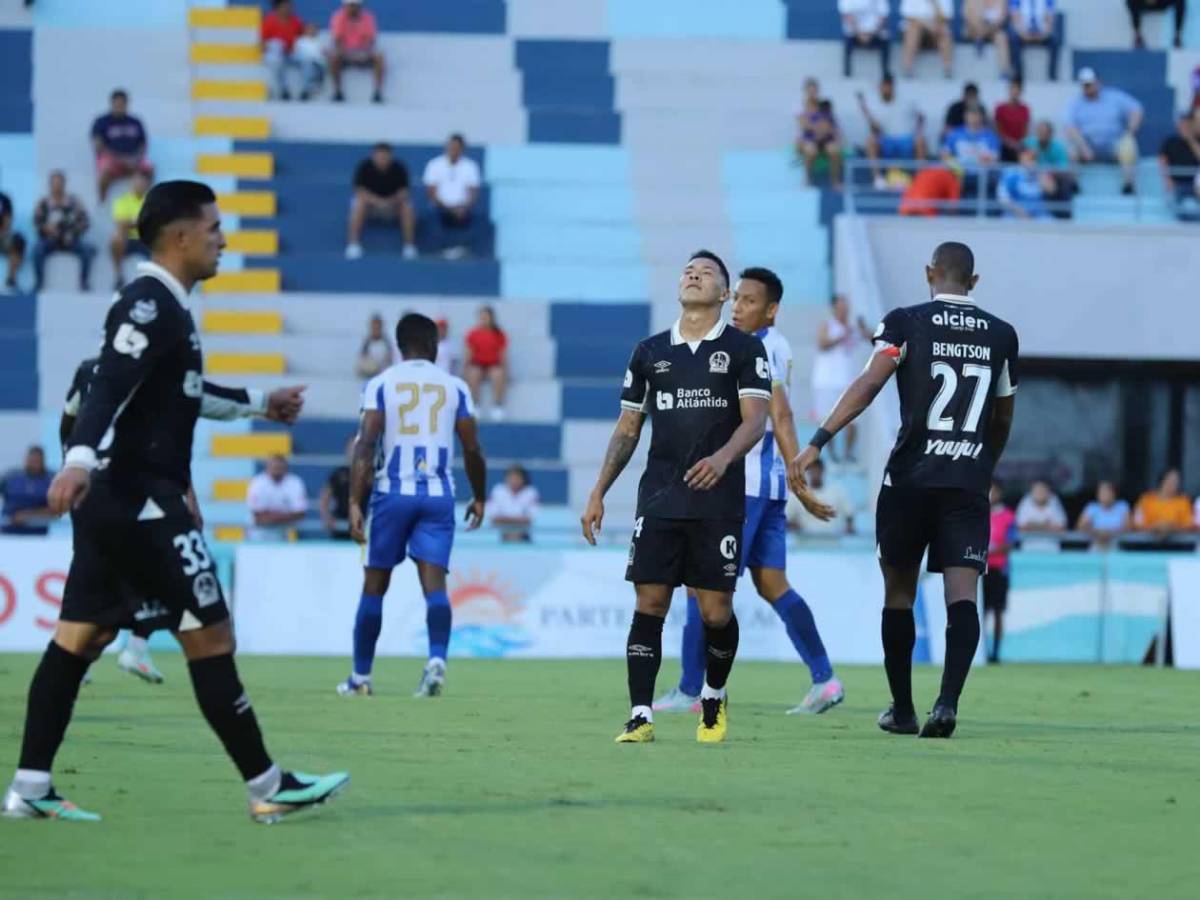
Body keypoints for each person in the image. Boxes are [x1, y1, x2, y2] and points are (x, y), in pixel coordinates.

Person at [3, 180, 347, 823]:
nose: (223, 240)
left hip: (116, 501)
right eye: (215, 229)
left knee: (80, 636)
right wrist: (77, 460)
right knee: (210, 633)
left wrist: (258, 403)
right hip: (143, 500)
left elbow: (181, 388)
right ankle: (267, 786)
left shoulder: (166, 307)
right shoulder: (148, 303)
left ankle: (28, 787)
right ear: (181, 236)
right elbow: (103, 383)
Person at [794, 241, 1020, 739]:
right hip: (966, 482)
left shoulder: (905, 321)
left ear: (928, 273)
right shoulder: (1002, 335)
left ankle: (902, 708)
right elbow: (1003, 416)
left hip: (910, 480)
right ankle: (947, 704)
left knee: (899, 592)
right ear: (974, 282)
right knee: (963, 593)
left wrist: (818, 442)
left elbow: (869, 383)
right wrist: (983, 466)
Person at [581, 250, 772, 745]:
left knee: (715, 613)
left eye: (706, 272)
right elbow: (628, 428)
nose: (693, 274)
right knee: (650, 603)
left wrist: (723, 458)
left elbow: (756, 420)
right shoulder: (649, 352)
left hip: (718, 500)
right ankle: (640, 715)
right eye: (688, 269)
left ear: (724, 294)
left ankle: (712, 695)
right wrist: (600, 489)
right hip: (660, 498)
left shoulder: (745, 349)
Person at [653, 268, 844, 718]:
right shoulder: (773, 347)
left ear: (771, 310)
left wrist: (801, 473)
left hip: (747, 489)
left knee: (702, 589)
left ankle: (689, 689)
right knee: (773, 584)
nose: (738, 308)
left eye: (749, 302)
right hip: (768, 486)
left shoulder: (760, 347)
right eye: (736, 299)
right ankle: (825, 679)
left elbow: (779, 412)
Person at [339, 313, 487, 698]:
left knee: (375, 585)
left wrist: (355, 502)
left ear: (399, 346)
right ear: (435, 346)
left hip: (393, 492)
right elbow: (472, 448)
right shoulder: (455, 387)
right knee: (435, 586)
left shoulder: (381, 384)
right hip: (438, 495)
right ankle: (436, 660)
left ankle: (360, 678)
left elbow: (366, 445)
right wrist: (480, 494)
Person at [812, 295, 874, 462]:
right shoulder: (828, 326)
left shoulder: (853, 328)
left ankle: (848, 454)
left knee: (853, 419)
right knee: (827, 419)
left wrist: (862, 327)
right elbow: (822, 344)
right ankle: (831, 455)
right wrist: (841, 336)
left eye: (846, 308)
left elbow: (874, 339)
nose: (843, 311)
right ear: (834, 309)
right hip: (827, 382)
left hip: (848, 380)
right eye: (840, 308)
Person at [1065, 69, 1143, 196]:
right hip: (1088, 146)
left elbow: (1136, 109)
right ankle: (1073, 185)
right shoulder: (1075, 103)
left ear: (1098, 82)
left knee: (1129, 144)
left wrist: (1129, 132)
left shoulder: (1114, 97)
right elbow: (1070, 127)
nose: (1087, 87)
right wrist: (1083, 147)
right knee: (1071, 149)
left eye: (1089, 84)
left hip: (1113, 145)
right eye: (1084, 85)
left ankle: (1128, 185)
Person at [345, 142, 417, 261]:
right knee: (358, 204)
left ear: (390, 156)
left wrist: (389, 201)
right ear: (373, 155)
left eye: (385, 156)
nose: (382, 158)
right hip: (371, 207)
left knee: (407, 207)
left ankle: (409, 247)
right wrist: (378, 201)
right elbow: (359, 191)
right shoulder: (364, 167)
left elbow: (404, 192)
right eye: (379, 155)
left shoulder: (399, 168)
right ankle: (353, 245)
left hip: (392, 207)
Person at [859, 75, 928, 189]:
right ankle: (878, 179)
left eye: (888, 86)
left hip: (906, 140)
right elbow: (876, 130)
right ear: (880, 87)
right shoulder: (874, 106)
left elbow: (921, 117)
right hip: (887, 141)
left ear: (893, 87)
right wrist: (868, 117)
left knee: (921, 140)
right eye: (883, 86)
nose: (886, 89)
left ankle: (920, 179)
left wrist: (917, 132)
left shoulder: (907, 102)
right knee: (870, 141)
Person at [31, 171, 95, 292]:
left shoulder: (75, 202)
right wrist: (47, 229)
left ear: (64, 184)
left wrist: (73, 232)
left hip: (71, 239)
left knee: (87, 251)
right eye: (54, 183)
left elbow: (85, 222)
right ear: (50, 185)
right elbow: (36, 223)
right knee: (37, 250)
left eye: (59, 183)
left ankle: (84, 283)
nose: (57, 186)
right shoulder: (43, 203)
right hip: (50, 239)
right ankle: (38, 283)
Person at [422, 134, 482, 259]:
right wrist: (448, 208)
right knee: (432, 214)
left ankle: (463, 248)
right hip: (441, 206)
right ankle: (441, 249)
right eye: (451, 146)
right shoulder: (434, 164)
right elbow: (431, 193)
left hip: (462, 208)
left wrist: (464, 207)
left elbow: (473, 193)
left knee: (478, 218)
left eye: (457, 147)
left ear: (463, 149)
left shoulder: (471, 166)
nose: (454, 150)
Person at [89, 89, 154, 203]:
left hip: (133, 158)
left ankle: (147, 202)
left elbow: (143, 144)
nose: (119, 106)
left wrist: (136, 158)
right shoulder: (101, 121)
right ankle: (102, 202)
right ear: (112, 103)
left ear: (127, 104)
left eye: (122, 103)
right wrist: (120, 159)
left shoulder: (135, 121)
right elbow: (98, 146)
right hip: (111, 159)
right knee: (105, 171)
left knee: (149, 168)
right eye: (117, 103)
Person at [260, 0, 322, 101]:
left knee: (308, 61)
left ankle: (306, 90)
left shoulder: (295, 20)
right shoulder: (269, 21)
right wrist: (271, 48)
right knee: (276, 61)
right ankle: (283, 90)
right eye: (286, 6)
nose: (289, 8)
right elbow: (263, 41)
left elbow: (304, 36)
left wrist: (312, 30)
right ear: (278, 7)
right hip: (278, 55)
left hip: (293, 53)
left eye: (290, 6)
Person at [984, 480, 1018, 663]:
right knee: (979, 612)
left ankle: (995, 653)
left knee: (997, 611)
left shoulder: (1009, 516)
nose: (991, 495)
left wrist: (988, 551)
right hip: (980, 569)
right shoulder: (977, 512)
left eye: (994, 491)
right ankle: (979, 651)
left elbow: (1010, 543)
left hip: (999, 569)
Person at [329, 0, 384, 103]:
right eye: (351, 5)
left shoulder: (368, 17)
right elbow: (337, 40)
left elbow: (371, 40)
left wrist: (364, 51)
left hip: (363, 52)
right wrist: (344, 51)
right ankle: (337, 92)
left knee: (380, 57)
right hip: (345, 52)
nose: (353, 8)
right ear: (345, 6)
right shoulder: (338, 17)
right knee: (333, 57)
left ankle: (377, 93)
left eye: (356, 6)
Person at [246, 454, 308, 541]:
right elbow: (257, 515)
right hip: (258, 533)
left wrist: (271, 516)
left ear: (286, 468)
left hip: (282, 533)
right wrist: (285, 515)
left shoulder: (295, 482)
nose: (277, 470)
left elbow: (300, 513)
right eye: (274, 467)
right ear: (267, 467)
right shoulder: (257, 483)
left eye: (280, 467)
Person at [787, 459, 855, 536]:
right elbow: (788, 519)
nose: (815, 472)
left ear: (823, 471)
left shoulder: (837, 491)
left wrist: (849, 528)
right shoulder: (798, 493)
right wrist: (795, 526)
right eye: (813, 469)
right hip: (805, 541)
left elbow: (849, 514)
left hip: (833, 541)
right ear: (808, 471)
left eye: (818, 469)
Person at [463, 305, 508, 421]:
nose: (484, 319)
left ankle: (497, 406)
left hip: (493, 364)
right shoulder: (473, 334)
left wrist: (506, 371)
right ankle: (475, 406)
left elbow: (503, 355)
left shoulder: (499, 334)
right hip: (477, 364)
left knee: (498, 374)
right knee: (473, 374)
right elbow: (469, 354)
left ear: (492, 317)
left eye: (486, 316)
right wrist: (464, 370)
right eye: (482, 316)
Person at [109, 169, 152, 290]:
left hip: (147, 239)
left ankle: (155, 281)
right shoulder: (122, 201)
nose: (139, 184)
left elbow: (154, 222)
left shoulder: (152, 201)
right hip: (128, 239)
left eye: (143, 182)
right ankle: (119, 276)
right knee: (116, 239)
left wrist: (132, 222)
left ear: (147, 184)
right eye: (137, 181)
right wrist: (141, 221)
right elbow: (121, 224)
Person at [1, 446, 53, 536]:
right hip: (7, 532)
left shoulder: (51, 480)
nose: (33, 464)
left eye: (37, 461)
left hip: (39, 535)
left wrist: (28, 515)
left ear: (43, 461)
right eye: (31, 460)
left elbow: (57, 509)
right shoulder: (10, 477)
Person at [1159, 108, 1200, 214]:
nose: (1184, 126)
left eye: (1187, 123)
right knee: (1177, 205)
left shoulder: (1197, 141)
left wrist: (1191, 141)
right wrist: (1168, 181)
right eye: (1182, 123)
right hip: (1177, 184)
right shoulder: (1170, 142)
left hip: (1196, 184)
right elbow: (1163, 162)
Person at [797, 99, 844, 190]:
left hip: (827, 141)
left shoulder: (830, 116)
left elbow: (835, 132)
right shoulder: (808, 117)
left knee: (834, 151)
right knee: (810, 150)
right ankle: (808, 180)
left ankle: (835, 181)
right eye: (809, 107)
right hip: (812, 141)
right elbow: (805, 130)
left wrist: (837, 140)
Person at [900, 0, 955, 78]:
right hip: (917, 29)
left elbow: (945, 18)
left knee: (944, 31)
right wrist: (929, 26)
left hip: (935, 33)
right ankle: (907, 68)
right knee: (912, 31)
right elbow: (910, 18)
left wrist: (934, 3)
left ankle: (948, 69)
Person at [997, 146, 1056, 219]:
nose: (1030, 158)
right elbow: (1003, 199)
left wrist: (1037, 173)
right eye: (1027, 155)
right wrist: (1019, 211)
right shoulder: (1010, 173)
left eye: (1033, 157)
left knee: (1049, 222)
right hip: (1014, 212)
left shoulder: (1042, 172)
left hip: (1039, 213)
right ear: (1021, 157)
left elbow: (1051, 190)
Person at [1008, 0, 1060, 82]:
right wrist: (1023, 34)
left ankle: (1052, 76)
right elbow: (1015, 18)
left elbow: (1050, 19)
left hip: (1042, 34)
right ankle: (1019, 76)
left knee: (1055, 40)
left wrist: (1043, 35)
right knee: (1013, 39)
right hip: (1023, 34)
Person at [838, 0, 891, 77]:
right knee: (847, 40)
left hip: (875, 31)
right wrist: (859, 33)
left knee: (885, 38)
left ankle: (885, 72)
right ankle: (847, 73)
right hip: (855, 32)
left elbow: (883, 16)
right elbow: (847, 16)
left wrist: (872, 33)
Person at [1134, 469, 1194, 536]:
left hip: (1178, 544)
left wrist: (1171, 528)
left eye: (1176, 481)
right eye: (1170, 480)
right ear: (1162, 480)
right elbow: (1137, 525)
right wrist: (1156, 527)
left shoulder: (1183, 501)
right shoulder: (1146, 500)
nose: (1174, 484)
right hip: (1144, 543)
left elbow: (1188, 526)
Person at [488, 464, 539, 543]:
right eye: (511, 478)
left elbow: (529, 519)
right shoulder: (498, 491)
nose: (514, 481)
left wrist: (504, 520)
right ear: (506, 478)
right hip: (503, 533)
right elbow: (493, 518)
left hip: (523, 534)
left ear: (523, 479)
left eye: (517, 478)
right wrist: (517, 520)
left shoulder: (530, 492)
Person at [963, 0, 1012, 78]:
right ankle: (979, 37)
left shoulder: (1002, 1)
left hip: (993, 30)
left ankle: (1004, 71)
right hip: (974, 30)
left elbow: (1002, 19)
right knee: (977, 27)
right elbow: (968, 18)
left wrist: (988, 28)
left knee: (1002, 37)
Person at [1077, 480, 1131, 547]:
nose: (1104, 495)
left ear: (1114, 494)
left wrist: (1109, 534)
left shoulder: (1122, 506)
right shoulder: (1092, 507)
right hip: (1096, 543)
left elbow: (1128, 527)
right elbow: (1080, 526)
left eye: (1107, 492)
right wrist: (1097, 533)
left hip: (1116, 544)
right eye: (1102, 493)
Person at [319, 437, 354, 541]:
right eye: (351, 448)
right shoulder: (338, 474)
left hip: (364, 524)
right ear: (346, 450)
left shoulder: (371, 474)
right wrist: (327, 517)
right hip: (340, 524)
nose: (354, 452)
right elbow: (324, 499)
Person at [995, 77, 1031, 163]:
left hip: (1019, 146)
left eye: (1017, 89)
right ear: (1008, 90)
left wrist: (1018, 144)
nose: (1015, 91)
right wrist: (1010, 143)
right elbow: (998, 131)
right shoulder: (1000, 108)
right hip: (1004, 146)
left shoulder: (1025, 109)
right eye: (1012, 88)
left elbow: (1025, 131)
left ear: (1021, 91)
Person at [354, 313, 393, 379]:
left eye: (377, 327)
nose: (375, 330)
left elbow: (390, 360)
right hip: (369, 373)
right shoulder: (366, 343)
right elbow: (360, 363)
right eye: (374, 327)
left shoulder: (386, 343)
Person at [1, 189, 26, 291]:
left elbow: (8, 222)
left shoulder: (4, 199)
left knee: (18, 240)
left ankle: (11, 278)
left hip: (2, 236)